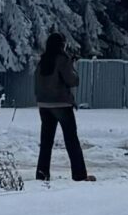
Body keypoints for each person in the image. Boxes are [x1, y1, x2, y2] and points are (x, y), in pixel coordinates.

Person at [34, 32, 92, 182]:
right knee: (71, 140)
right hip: (61, 103)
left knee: (46, 142)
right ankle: (79, 175)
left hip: (44, 105)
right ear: (61, 45)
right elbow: (73, 80)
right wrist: (72, 65)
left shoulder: (43, 60)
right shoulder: (62, 59)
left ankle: (42, 174)